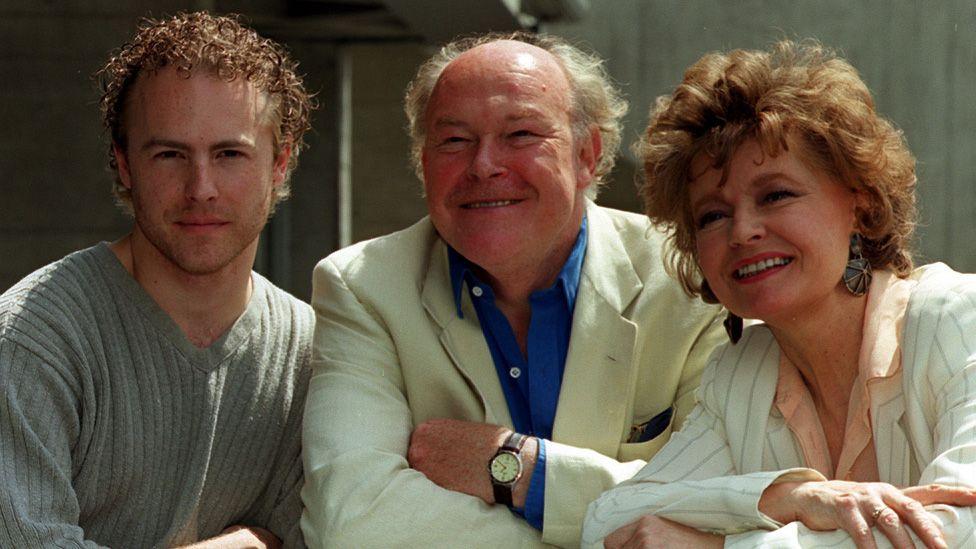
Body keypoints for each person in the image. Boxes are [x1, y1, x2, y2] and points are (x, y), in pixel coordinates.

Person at [300, 32, 724, 547]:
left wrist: (518, 470)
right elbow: (350, 520)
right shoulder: (363, 286)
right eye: (454, 140)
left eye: (521, 134)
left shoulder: (692, 277)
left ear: (587, 154)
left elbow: (729, 501)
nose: (483, 165)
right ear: (423, 162)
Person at [581, 40, 976, 548]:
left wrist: (720, 545)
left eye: (776, 195)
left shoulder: (958, 319)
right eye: (713, 215)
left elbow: (958, 533)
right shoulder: (740, 375)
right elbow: (606, 522)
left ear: (860, 204)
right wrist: (785, 497)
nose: (742, 231)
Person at [0, 12, 315, 548]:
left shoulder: (307, 349)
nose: (202, 188)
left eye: (230, 154)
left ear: (280, 164)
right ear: (124, 165)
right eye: (170, 154)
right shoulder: (32, 340)